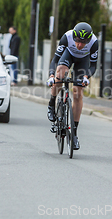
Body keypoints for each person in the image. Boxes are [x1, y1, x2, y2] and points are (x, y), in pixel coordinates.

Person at [46, 22, 99, 150]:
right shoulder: (67, 37)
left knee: (77, 92)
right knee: (60, 73)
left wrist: (86, 77)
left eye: (83, 42)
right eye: (78, 41)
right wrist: (52, 76)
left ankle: (74, 134)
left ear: (89, 40)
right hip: (68, 56)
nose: (80, 45)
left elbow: (93, 66)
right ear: (74, 37)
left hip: (83, 61)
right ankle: (52, 103)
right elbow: (55, 60)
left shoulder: (94, 42)